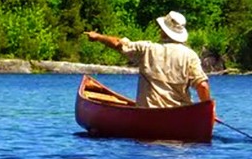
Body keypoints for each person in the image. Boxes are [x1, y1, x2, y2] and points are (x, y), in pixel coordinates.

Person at [84, 11, 212, 108]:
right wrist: (207, 111)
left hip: (148, 114)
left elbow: (118, 44)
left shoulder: (147, 49)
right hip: (180, 115)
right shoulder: (190, 55)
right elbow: (202, 86)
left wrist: (98, 37)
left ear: (163, 30)